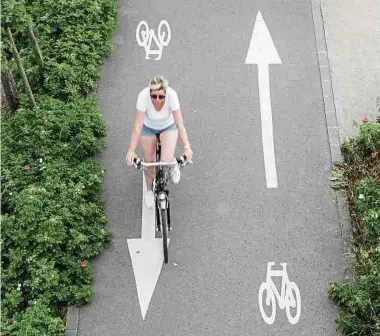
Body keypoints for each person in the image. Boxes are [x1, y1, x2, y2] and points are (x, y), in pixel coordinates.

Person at [125, 75, 193, 208]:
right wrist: (131, 150)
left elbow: (179, 124)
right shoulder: (143, 97)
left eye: (161, 97)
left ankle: (173, 165)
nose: (157, 100)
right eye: (154, 96)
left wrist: (186, 147)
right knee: (149, 163)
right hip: (148, 128)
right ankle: (149, 190)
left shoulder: (172, 96)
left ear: (166, 94)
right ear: (149, 94)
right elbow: (138, 126)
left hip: (168, 127)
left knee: (166, 159)